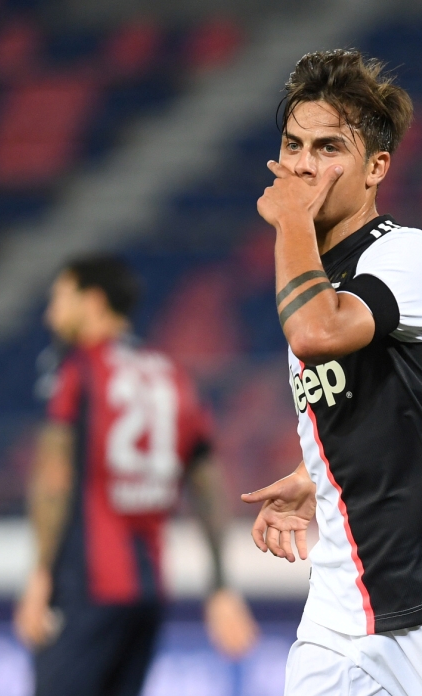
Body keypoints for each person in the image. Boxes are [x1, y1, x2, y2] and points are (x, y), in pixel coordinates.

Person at [239, 49, 422, 696]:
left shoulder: (405, 253)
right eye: (293, 145)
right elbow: (364, 400)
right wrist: (309, 476)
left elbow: (318, 333)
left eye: (328, 149)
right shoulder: (312, 277)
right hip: (340, 610)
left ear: (376, 167)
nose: (302, 166)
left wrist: (289, 218)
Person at [14, 256, 258, 696]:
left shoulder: (79, 371)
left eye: (60, 298)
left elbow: (53, 477)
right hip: (148, 590)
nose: (51, 312)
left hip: (86, 584)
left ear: (92, 302)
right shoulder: (172, 374)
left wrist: (40, 575)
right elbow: (206, 482)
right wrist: (220, 585)